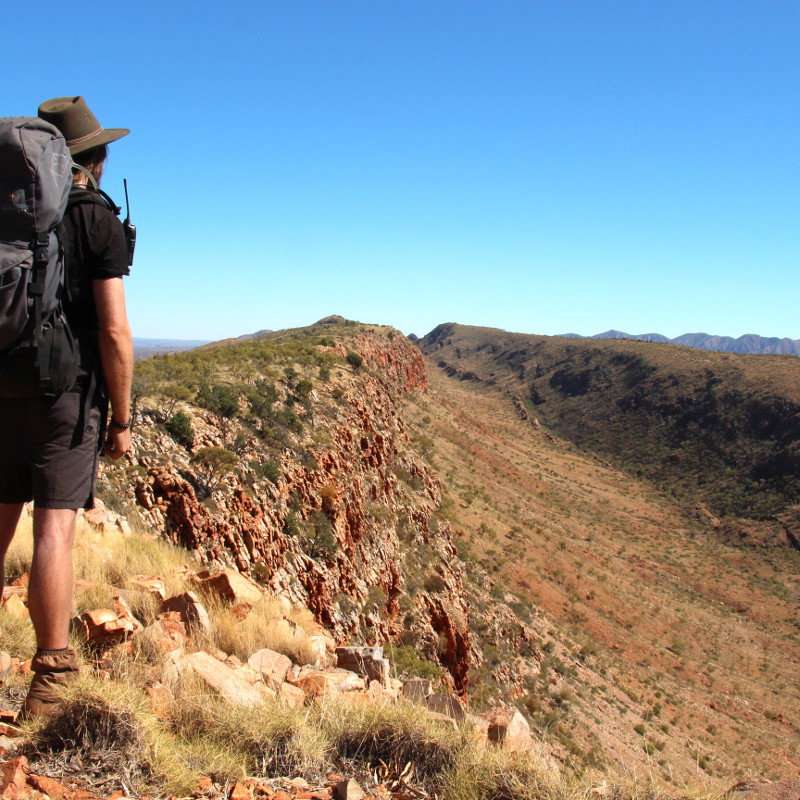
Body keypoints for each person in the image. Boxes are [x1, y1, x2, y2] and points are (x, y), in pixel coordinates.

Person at [0, 96, 134, 718]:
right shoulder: (94, 220)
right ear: (96, 158)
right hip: (65, 397)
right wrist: (123, 419)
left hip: (2, 387)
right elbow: (113, 333)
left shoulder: (14, 213)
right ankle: (51, 681)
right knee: (53, 529)